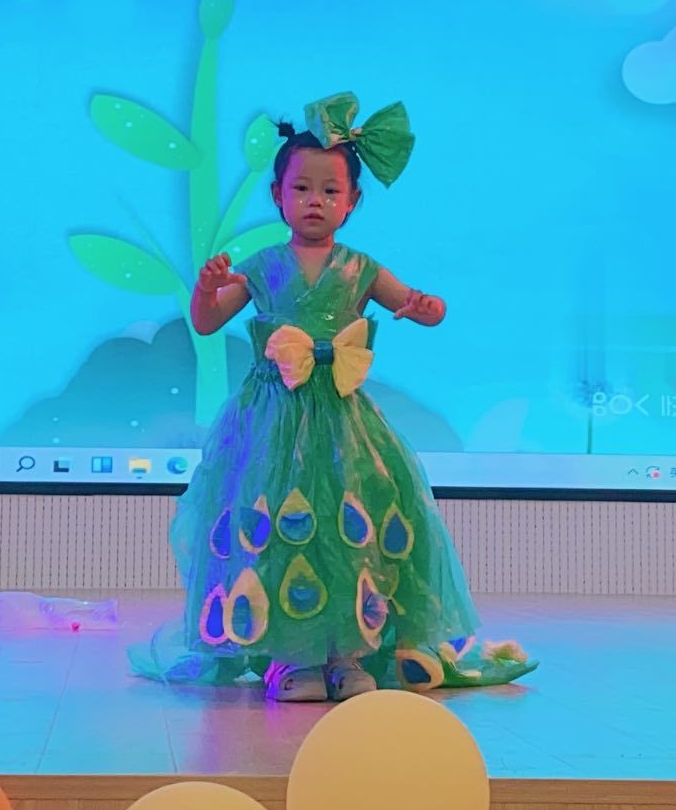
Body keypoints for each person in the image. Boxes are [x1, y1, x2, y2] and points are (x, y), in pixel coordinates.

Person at [131, 92, 536, 702]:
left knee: (351, 524)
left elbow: (417, 306)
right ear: (277, 196)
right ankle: (290, 659)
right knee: (277, 525)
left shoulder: (361, 268)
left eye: (329, 190)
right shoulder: (262, 266)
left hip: (345, 423)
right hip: (271, 422)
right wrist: (205, 289)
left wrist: (425, 307)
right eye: (301, 188)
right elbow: (208, 322)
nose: (314, 200)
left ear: (352, 202)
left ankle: (350, 654)